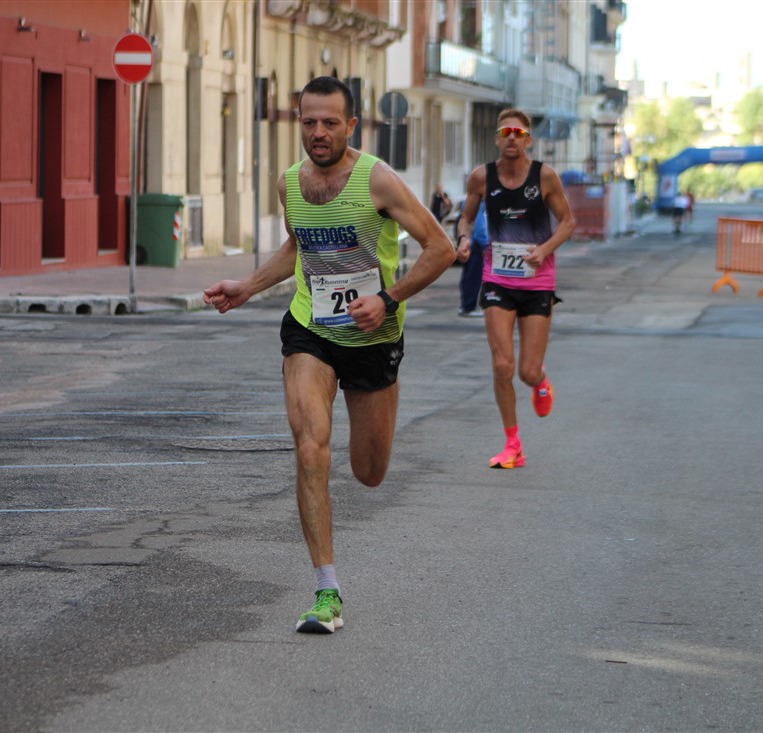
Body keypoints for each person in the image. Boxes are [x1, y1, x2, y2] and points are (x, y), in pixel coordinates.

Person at [203, 77, 455, 633]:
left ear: (352, 126)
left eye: (330, 123)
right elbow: (299, 246)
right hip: (309, 327)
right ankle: (327, 591)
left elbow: (442, 247)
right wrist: (249, 286)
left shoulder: (378, 181)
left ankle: (375, 413)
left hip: (373, 338)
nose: (318, 133)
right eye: (309, 122)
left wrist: (387, 300)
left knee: (369, 472)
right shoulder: (289, 183)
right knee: (311, 447)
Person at [456, 108, 575, 469]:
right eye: (505, 131)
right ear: (497, 138)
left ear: (528, 140)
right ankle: (513, 444)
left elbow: (568, 222)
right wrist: (463, 238)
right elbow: (467, 216)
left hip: (537, 281)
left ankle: (540, 381)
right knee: (502, 364)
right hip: (497, 281)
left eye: (517, 132)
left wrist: (545, 249)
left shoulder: (546, 177)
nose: (511, 137)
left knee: (526, 370)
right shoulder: (481, 177)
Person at [457, 198, 488, 317]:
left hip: (471, 242)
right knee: (473, 276)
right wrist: (485, 245)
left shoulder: (468, 201)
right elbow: (479, 226)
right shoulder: (478, 202)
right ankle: (468, 306)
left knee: (468, 275)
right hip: (476, 244)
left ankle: (466, 305)